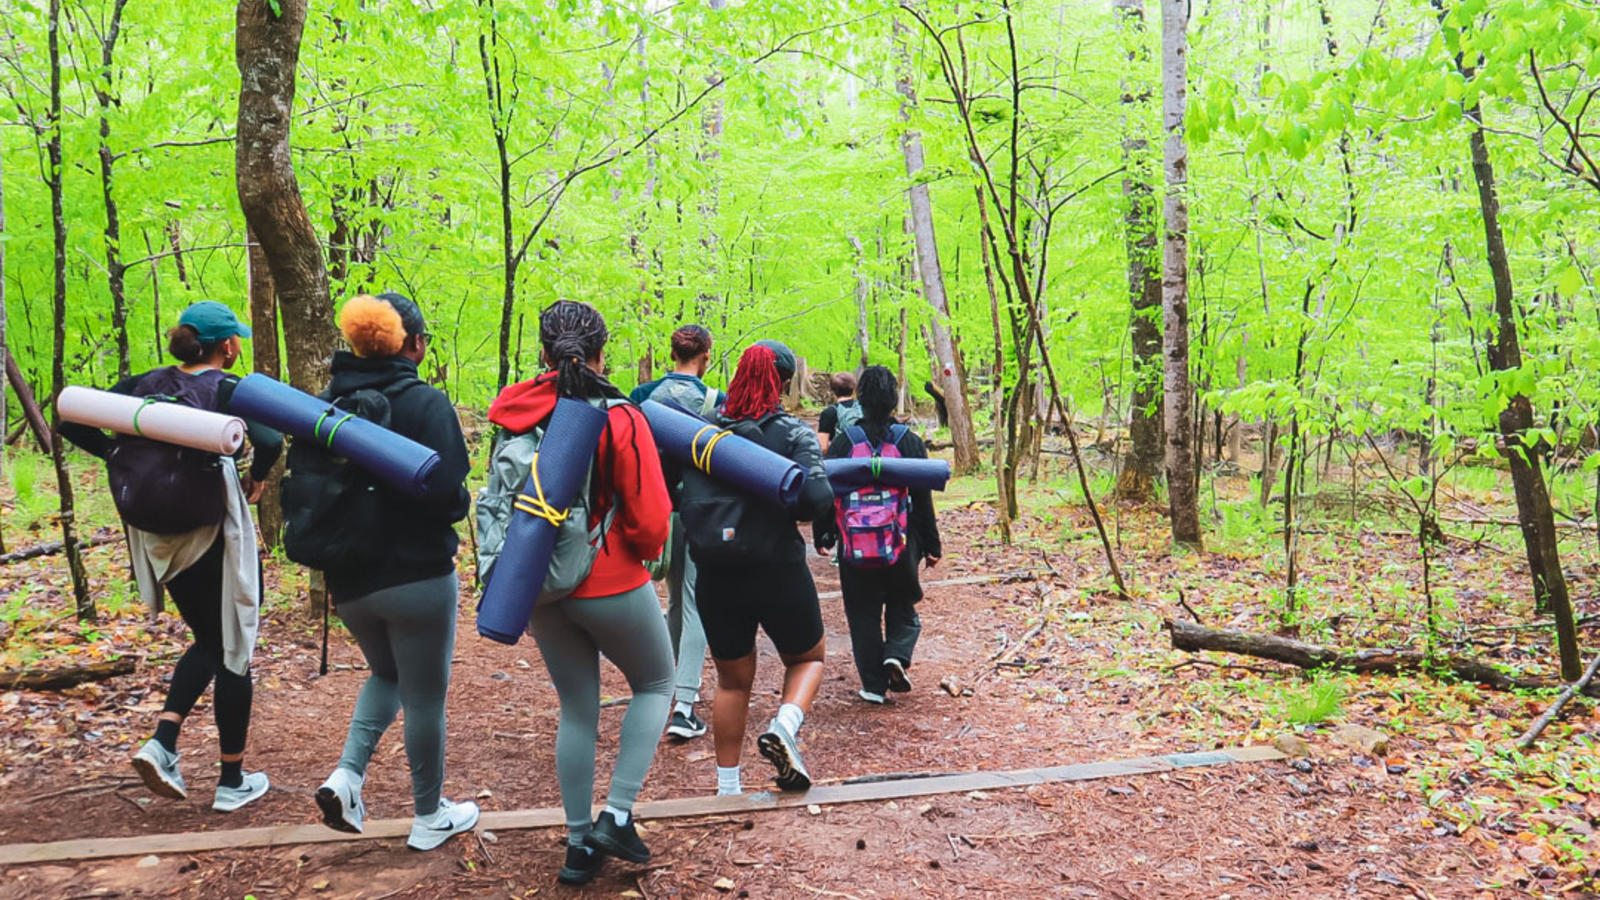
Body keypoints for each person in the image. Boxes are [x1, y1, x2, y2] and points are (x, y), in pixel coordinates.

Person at [59, 300, 278, 812]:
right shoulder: (227, 388)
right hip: (209, 530)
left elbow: (70, 421)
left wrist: (121, 453)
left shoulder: (141, 385)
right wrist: (259, 476)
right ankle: (231, 780)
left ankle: (164, 741)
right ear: (226, 346)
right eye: (236, 339)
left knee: (210, 638)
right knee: (234, 645)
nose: (239, 345)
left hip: (158, 536)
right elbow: (267, 436)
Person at [487, 300, 674, 885]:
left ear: (542, 352)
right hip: (609, 577)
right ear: (601, 353)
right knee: (657, 681)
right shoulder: (619, 416)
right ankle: (616, 815)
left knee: (577, 707)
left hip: (536, 581)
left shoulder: (513, 411)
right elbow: (649, 522)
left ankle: (577, 846)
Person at [310, 293, 480, 852]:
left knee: (387, 676)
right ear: (414, 345)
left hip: (351, 579)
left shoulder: (324, 404)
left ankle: (347, 777)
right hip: (418, 577)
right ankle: (429, 814)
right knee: (426, 697)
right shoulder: (426, 403)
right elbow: (451, 495)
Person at [678, 340, 834, 796]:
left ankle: (728, 788)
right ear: (782, 383)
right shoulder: (793, 433)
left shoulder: (700, 434)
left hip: (715, 573)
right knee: (808, 657)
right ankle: (785, 727)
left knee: (731, 680)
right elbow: (816, 501)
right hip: (777, 566)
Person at [814, 366, 942, 704]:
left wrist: (824, 534)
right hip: (901, 541)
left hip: (854, 543)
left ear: (862, 398)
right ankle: (896, 656)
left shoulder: (845, 442)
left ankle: (872, 684)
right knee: (902, 601)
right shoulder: (909, 441)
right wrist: (931, 543)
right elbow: (922, 497)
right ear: (892, 398)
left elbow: (829, 491)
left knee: (862, 612)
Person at [636, 325, 720, 740]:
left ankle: (666, 686)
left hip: (657, 514)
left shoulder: (642, 397)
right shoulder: (714, 403)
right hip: (700, 515)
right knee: (695, 602)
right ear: (705, 354)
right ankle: (684, 704)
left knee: (672, 601)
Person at [816, 371, 860, 453]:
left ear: (833, 391)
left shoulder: (829, 412)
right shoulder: (863, 408)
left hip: (840, 461)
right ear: (854, 389)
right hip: (863, 457)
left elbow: (823, 448)